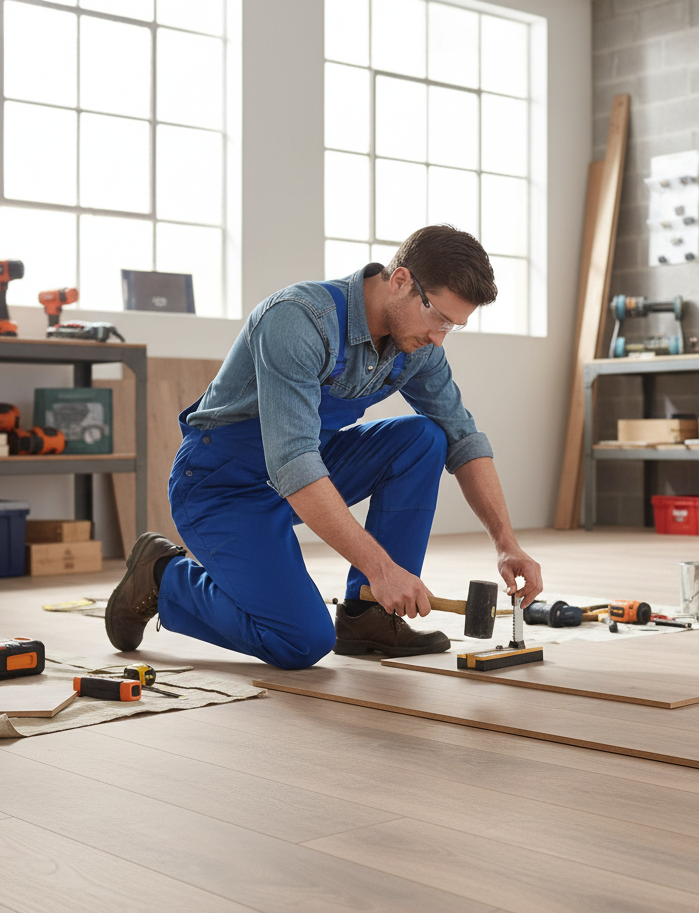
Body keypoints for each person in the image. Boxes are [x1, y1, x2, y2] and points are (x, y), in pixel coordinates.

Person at [104, 225, 543, 669]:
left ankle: (370, 616)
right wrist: (383, 568)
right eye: (440, 318)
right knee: (302, 642)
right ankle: (164, 577)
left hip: (306, 467)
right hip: (223, 487)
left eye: (454, 326)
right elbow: (293, 463)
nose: (440, 337)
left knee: (425, 439)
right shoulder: (298, 321)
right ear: (400, 281)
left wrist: (507, 543)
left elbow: (463, 438)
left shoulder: (417, 343)